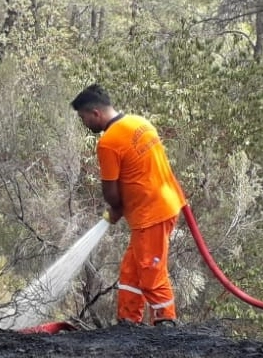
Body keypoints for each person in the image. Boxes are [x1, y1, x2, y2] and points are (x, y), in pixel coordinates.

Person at [70, 84, 186, 326]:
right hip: (165, 203)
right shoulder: (139, 122)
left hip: (151, 214)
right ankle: (128, 323)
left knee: (151, 274)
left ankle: (167, 326)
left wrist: (115, 208)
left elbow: (111, 193)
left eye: (83, 118)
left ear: (95, 114)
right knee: (131, 273)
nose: (84, 124)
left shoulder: (109, 142)